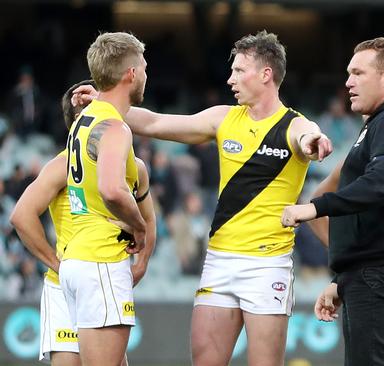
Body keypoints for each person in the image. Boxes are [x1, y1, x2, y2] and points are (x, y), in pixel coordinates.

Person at [73, 30, 332, 366]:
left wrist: (316, 140)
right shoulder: (224, 118)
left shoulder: (293, 124)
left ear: (266, 74)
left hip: (267, 266)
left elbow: (307, 136)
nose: (230, 79)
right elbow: (155, 121)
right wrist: (105, 101)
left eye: (239, 71)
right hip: (220, 262)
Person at [282, 38, 384, 366]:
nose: (348, 82)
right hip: (369, 271)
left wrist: (314, 207)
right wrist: (345, 280)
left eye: (357, 73)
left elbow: (382, 183)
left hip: (380, 270)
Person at [10, 79, 156, 366]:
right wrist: (57, 264)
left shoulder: (134, 166)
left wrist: (142, 263)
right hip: (84, 274)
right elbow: (20, 216)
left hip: (84, 275)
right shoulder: (63, 164)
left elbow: (149, 218)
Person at [59, 32, 150, 366]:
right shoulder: (114, 126)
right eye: (143, 67)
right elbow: (112, 189)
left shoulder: (84, 118)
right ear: (130, 74)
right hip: (101, 258)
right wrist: (139, 229)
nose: (145, 74)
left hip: (78, 255)